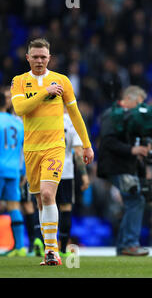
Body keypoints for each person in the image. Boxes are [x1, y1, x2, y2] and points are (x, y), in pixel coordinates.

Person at [10, 38, 94, 266]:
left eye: (43, 57)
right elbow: (20, 108)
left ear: (49, 58)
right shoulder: (19, 81)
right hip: (31, 149)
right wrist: (44, 93)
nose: (39, 60)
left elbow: (75, 114)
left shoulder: (62, 81)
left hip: (55, 147)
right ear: (28, 58)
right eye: (35, 56)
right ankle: (49, 249)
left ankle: (52, 251)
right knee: (40, 200)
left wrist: (86, 144)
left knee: (48, 195)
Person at [97, 85, 150, 256]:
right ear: (129, 100)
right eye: (139, 104)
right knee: (135, 199)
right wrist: (132, 150)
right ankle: (129, 243)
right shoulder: (112, 114)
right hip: (115, 166)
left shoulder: (127, 117)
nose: (140, 108)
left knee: (133, 200)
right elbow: (106, 142)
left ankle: (123, 245)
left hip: (125, 166)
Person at [57, 109, 90, 257]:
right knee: (65, 208)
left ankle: (46, 247)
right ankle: (63, 248)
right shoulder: (72, 121)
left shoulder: (44, 117)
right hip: (65, 171)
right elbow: (78, 152)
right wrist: (84, 175)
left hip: (44, 170)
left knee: (44, 207)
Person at [0, 90, 26, 257]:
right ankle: (20, 247)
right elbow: (23, 149)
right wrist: (23, 171)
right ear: (6, 103)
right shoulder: (17, 123)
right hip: (14, 170)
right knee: (13, 206)